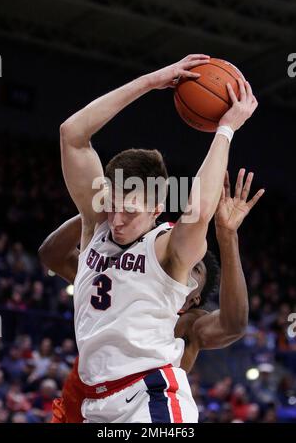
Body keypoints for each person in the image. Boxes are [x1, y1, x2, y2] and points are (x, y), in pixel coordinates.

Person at [58, 54, 257, 422]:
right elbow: (73, 136)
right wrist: (150, 81)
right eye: (113, 205)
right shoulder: (97, 224)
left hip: (150, 399)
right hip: (94, 404)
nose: (117, 219)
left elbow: (199, 206)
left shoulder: (168, 248)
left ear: (157, 208)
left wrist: (226, 130)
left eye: (131, 211)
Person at [39, 170, 264, 422]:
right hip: (92, 402)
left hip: (146, 405)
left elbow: (234, 323)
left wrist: (227, 236)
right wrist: (97, 212)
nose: (186, 263)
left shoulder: (189, 325)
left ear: (194, 299)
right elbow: (52, 255)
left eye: (196, 268)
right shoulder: (124, 281)